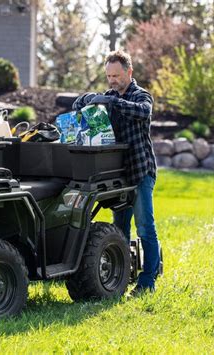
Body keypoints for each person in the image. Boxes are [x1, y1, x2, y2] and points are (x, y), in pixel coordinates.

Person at [72, 50, 160, 294]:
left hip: (140, 171)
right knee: (119, 229)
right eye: (108, 76)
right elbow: (77, 107)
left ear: (129, 72)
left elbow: (144, 112)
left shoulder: (141, 95)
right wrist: (87, 99)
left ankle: (148, 281)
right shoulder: (107, 95)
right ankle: (121, 276)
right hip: (118, 174)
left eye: (116, 75)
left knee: (145, 228)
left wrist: (116, 103)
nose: (112, 80)